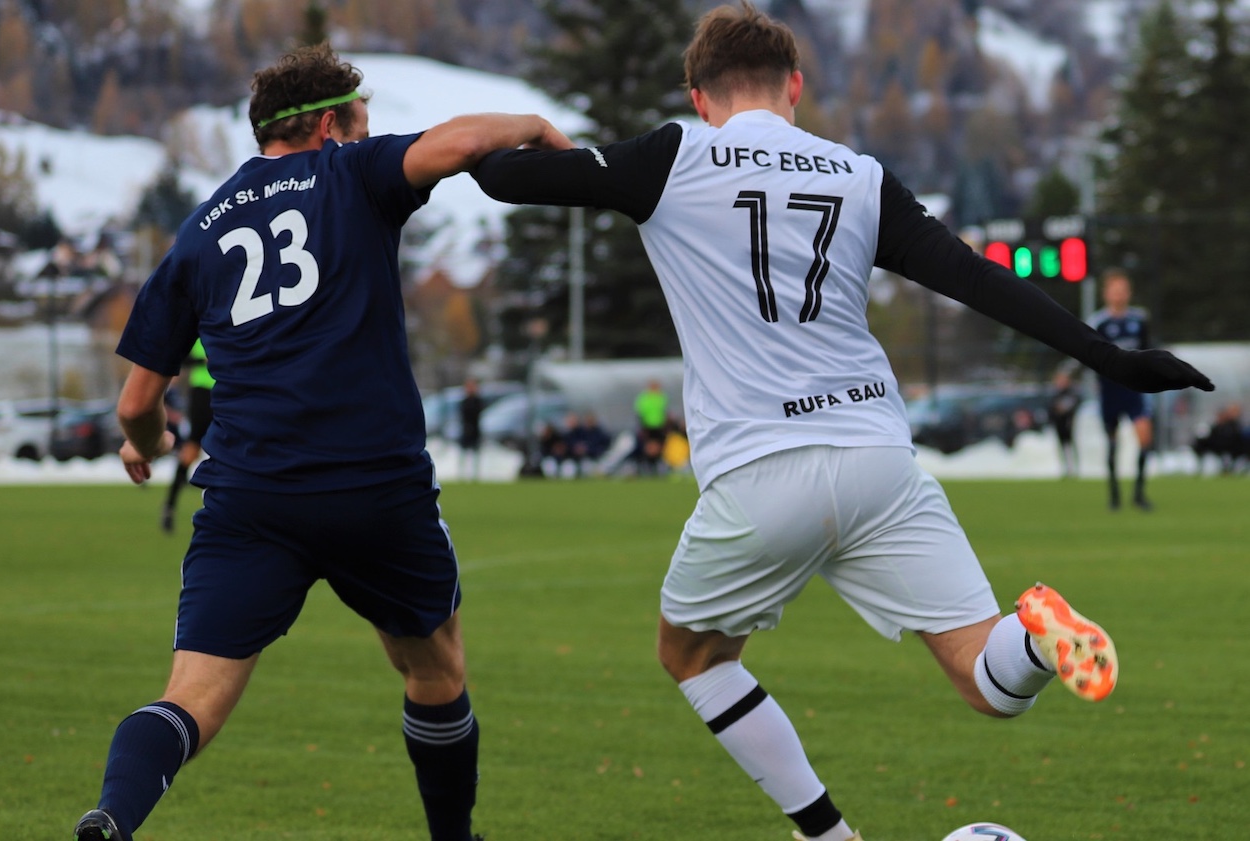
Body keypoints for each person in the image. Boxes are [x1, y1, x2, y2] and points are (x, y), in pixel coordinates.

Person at [471, 5, 1214, 840]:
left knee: (692, 656)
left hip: (760, 474)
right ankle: (1040, 643)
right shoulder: (858, 175)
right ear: (794, 86)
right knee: (986, 677)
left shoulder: (672, 154)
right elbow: (974, 276)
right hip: (877, 460)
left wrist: (524, 130)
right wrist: (1106, 355)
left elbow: (503, 176)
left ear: (699, 95)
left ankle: (827, 833)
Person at [71, 43, 571, 841]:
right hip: (374, 486)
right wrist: (538, 125)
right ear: (329, 124)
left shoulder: (199, 233)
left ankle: (112, 816)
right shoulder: (351, 173)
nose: (369, 132)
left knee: (190, 696)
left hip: (250, 496)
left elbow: (136, 400)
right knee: (435, 664)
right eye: (363, 118)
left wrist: (148, 440)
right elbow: (465, 141)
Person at [1087, 268, 1158, 509]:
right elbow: (1091, 357)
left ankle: (1139, 493)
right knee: (1113, 443)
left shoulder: (1139, 320)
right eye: (1114, 290)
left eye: (1122, 290)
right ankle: (1114, 496)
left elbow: (1149, 352)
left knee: (1145, 438)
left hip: (1135, 390)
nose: (1119, 295)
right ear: (1106, 294)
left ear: (1129, 292)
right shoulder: (1099, 322)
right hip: (1110, 391)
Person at [161, 338, 213, 532]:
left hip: (229, 391)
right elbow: (182, 359)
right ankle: (170, 506)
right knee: (191, 448)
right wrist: (204, 361)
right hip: (202, 394)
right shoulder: (201, 332)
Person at [1047, 368, 1083, 478]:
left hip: (1070, 424)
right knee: (1062, 446)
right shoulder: (1055, 395)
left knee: (1071, 445)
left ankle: (1075, 468)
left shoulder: (1071, 394)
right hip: (1059, 424)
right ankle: (1066, 468)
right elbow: (1051, 409)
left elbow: (1072, 405)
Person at [634, 379, 670, 475]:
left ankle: (657, 466)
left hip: (659, 426)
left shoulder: (661, 397)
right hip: (648, 426)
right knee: (649, 447)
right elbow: (640, 412)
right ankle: (648, 466)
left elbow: (664, 411)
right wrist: (643, 425)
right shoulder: (644, 397)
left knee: (659, 447)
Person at [457, 377, 486, 481]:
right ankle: (462, 474)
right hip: (465, 430)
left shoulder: (478, 401)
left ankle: (475, 475)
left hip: (475, 431)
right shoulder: (464, 401)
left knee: (476, 453)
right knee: (464, 453)